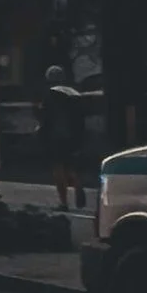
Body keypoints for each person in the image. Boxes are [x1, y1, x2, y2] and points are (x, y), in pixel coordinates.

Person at [44, 63, 88, 211]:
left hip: (57, 136)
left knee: (58, 168)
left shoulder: (51, 94)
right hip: (75, 137)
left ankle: (63, 202)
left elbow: (47, 118)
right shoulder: (74, 93)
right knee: (69, 165)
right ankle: (77, 182)